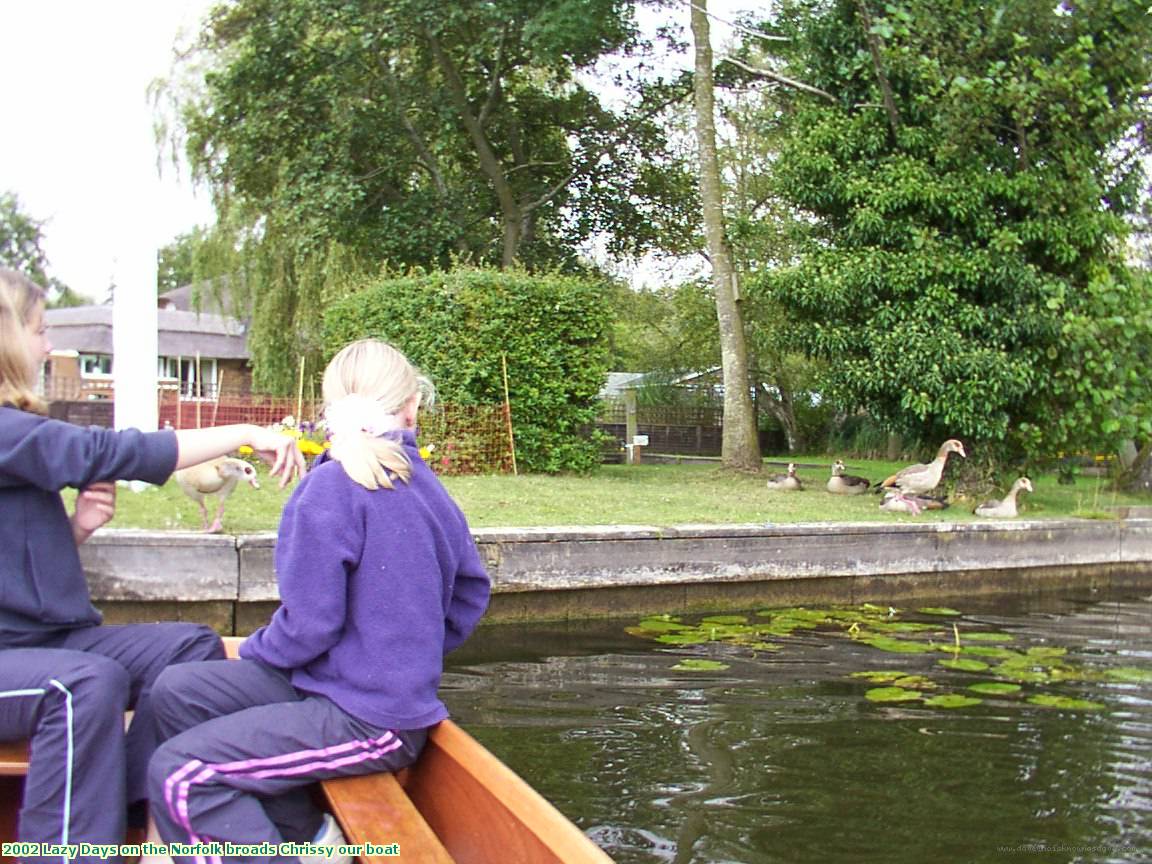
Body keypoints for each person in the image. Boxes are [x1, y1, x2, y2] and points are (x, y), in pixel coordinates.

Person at [146, 339, 491, 862]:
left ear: (327, 410)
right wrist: (411, 649)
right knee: (176, 690)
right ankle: (307, 834)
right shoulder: (431, 490)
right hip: (339, 689)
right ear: (412, 407)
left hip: (375, 720)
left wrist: (262, 652)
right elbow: (471, 593)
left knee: (182, 774)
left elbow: (310, 626)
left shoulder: (329, 488)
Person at [0, 268, 306, 858]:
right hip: (19, 658)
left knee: (190, 649)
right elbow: (113, 451)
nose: (47, 346)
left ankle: (137, 809)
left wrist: (76, 530)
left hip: (40, 641)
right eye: (39, 331)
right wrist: (245, 433)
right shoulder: (9, 433)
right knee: (82, 686)